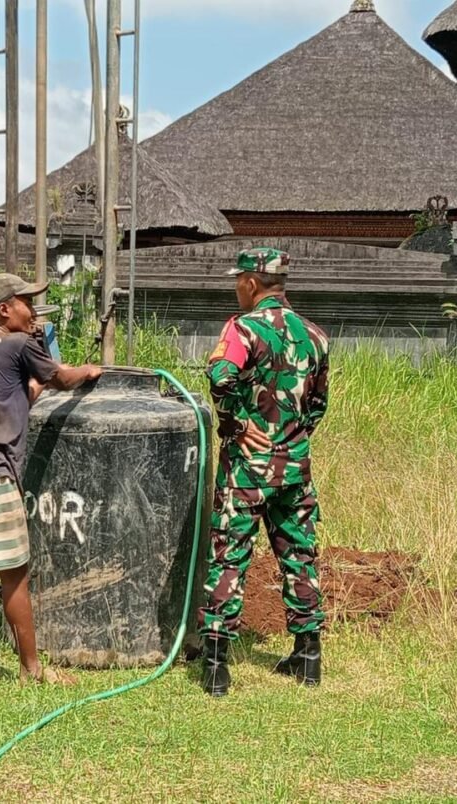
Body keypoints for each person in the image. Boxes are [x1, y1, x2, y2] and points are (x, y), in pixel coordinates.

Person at [0, 273, 103, 687]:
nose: (34, 311)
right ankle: (32, 671)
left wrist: (33, 387)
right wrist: (87, 369)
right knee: (15, 575)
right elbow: (62, 378)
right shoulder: (18, 343)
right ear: (5, 308)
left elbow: (9, 396)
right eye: (27, 302)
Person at [198, 246, 330, 696]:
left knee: (230, 553)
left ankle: (216, 667)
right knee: (299, 553)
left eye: (239, 280)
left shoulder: (243, 329)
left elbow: (219, 375)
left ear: (251, 284)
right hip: (294, 466)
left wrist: (237, 424)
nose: (236, 287)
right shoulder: (315, 335)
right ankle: (308, 657)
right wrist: (288, 436)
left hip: (247, 471)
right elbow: (317, 406)